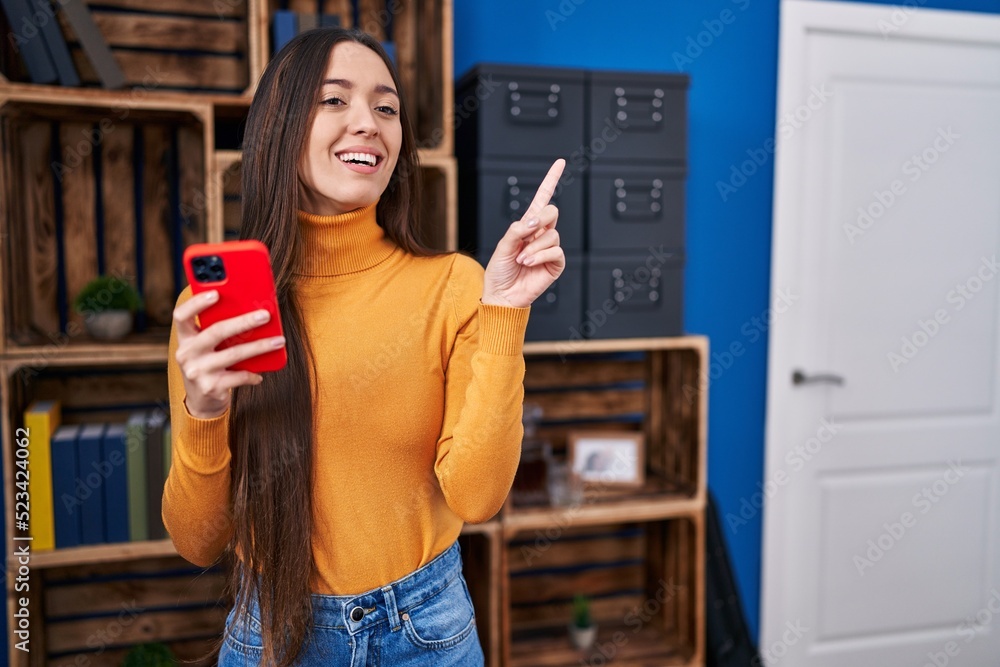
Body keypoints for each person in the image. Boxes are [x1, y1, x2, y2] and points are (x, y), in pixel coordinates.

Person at [162, 27, 565, 667]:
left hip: (426, 628)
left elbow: (476, 496)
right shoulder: (213, 312)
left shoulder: (455, 286)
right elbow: (196, 542)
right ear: (281, 126)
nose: (368, 124)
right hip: (273, 631)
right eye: (334, 101)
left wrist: (505, 314)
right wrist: (205, 410)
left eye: (386, 107)